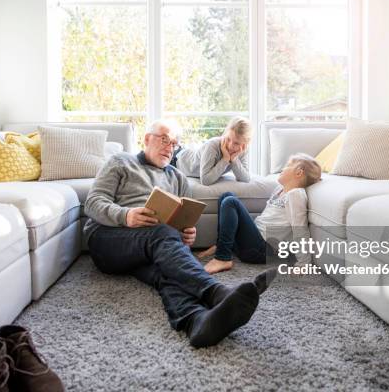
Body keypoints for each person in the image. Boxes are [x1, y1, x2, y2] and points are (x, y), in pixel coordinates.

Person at [83, 120, 274, 348]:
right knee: (161, 234)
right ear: (146, 139)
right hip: (107, 240)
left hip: (150, 246)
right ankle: (217, 292)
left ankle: (196, 322)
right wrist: (125, 216)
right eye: (164, 139)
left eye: (173, 143)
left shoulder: (178, 177)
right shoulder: (120, 161)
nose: (169, 147)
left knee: (169, 271)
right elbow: (92, 203)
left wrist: (185, 234)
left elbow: (181, 223)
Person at [199, 154, 322, 274]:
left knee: (231, 202)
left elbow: (300, 229)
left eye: (288, 165)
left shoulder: (296, 195)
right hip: (254, 241)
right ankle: (222, 245)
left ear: (299, 173)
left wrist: (303, 263)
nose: (283, 169)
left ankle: (222, 258)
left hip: (262, 250)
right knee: (226, 196)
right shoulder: (280, 190)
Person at [172, 117, 251, 186]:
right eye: (228, 139)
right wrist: (225, 159)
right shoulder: (212, 146)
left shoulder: (242, 150)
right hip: (177, 160)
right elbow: (205, 180)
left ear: (245, 144)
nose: (230, 146)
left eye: (236, 143)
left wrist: (234, 159)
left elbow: (246, 178)